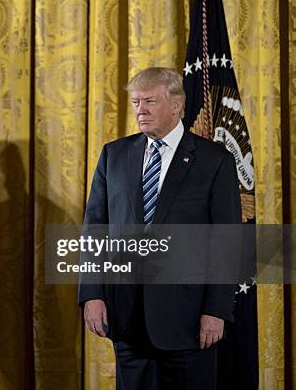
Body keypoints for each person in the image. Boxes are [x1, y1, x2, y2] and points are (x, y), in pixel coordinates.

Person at [78, 67, 241, 389]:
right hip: (127, 317)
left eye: (150, 101)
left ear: (177, 104)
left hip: (189, 319)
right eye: (136, 102)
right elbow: (94, 229)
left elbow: (227, 241)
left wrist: (216, 309)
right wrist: (93, 294)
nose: (141, 110)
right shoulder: (115, 154)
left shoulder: (214, 159)